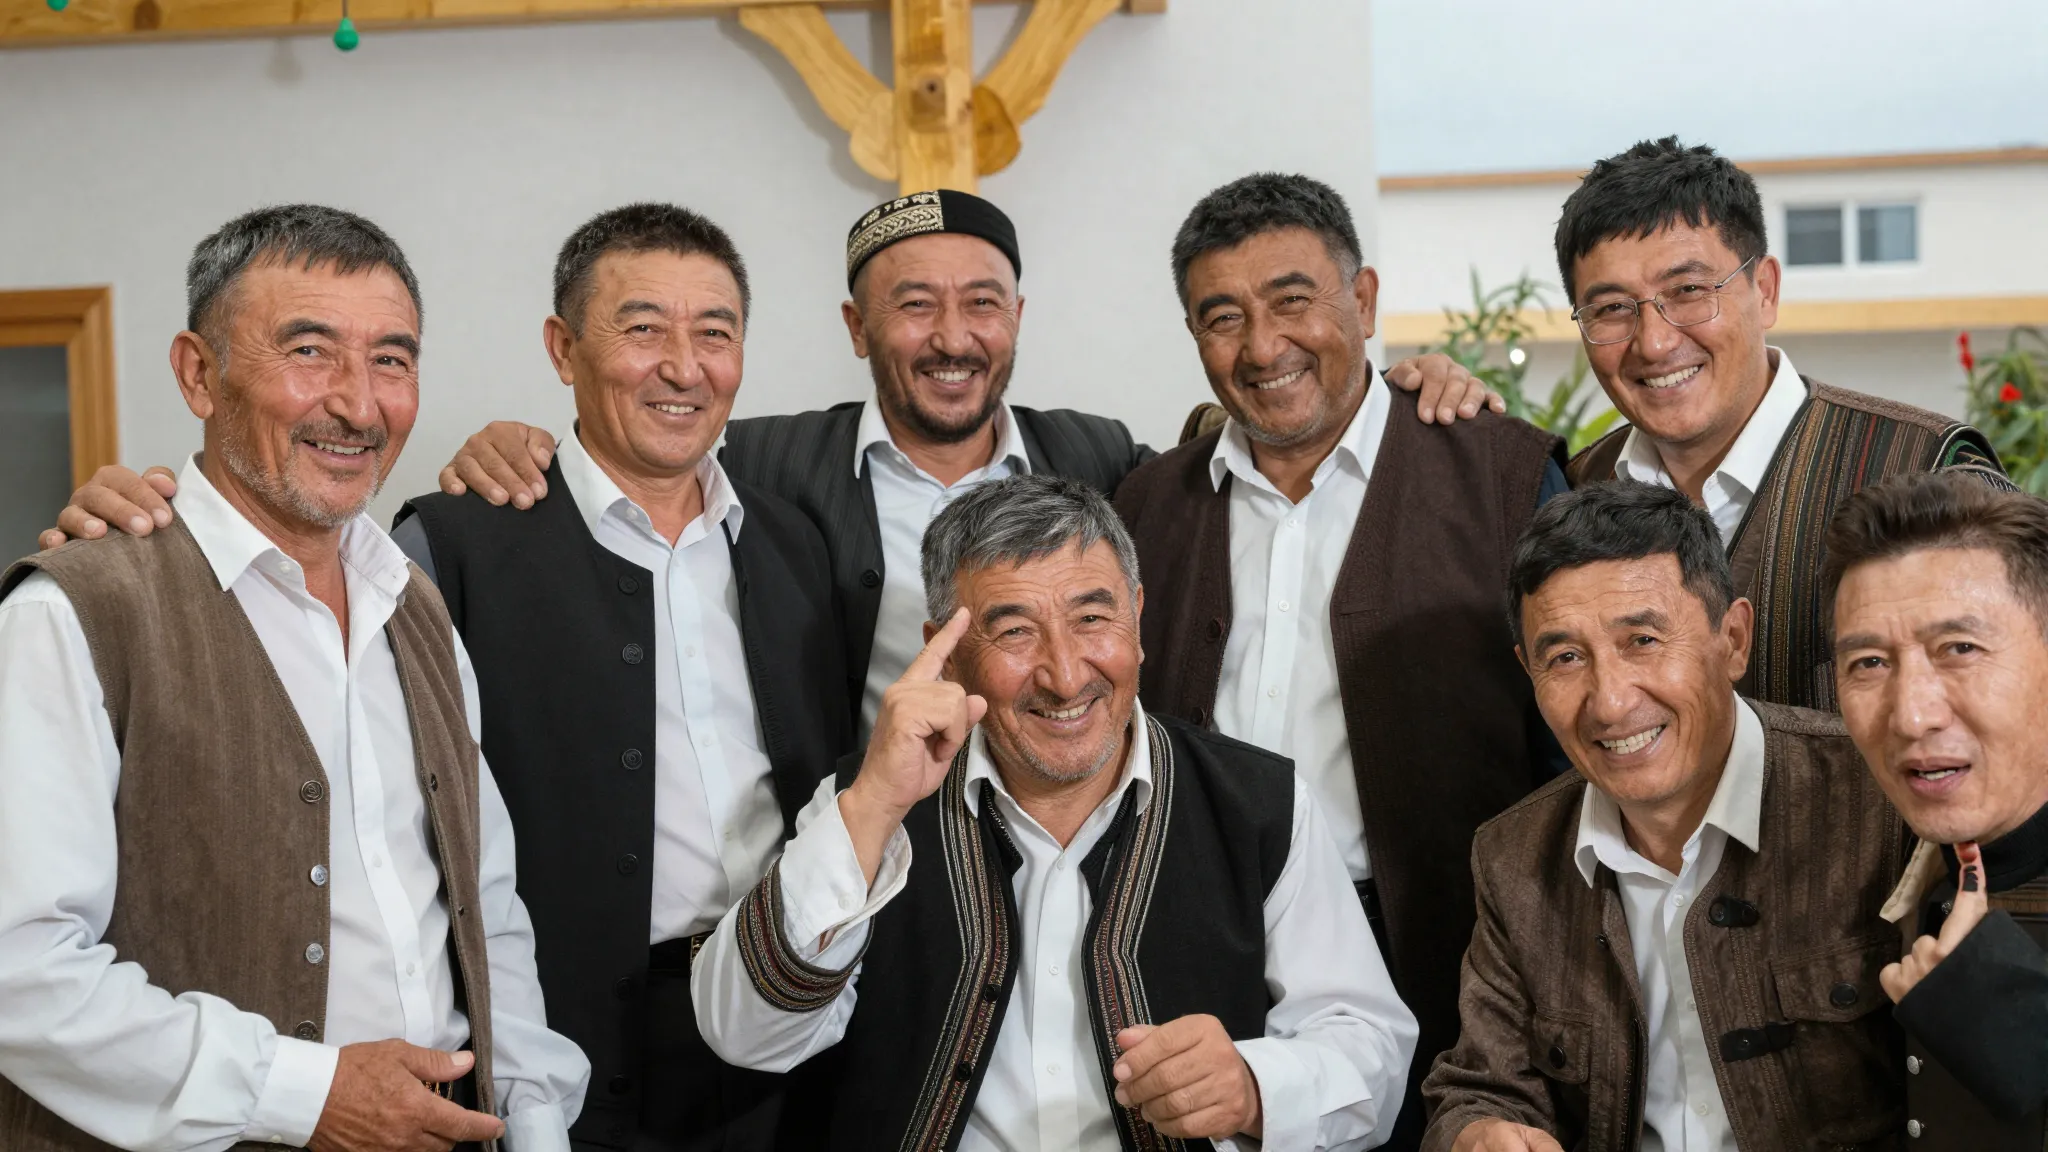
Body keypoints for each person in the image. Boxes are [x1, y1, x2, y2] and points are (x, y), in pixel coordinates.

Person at [52, 191, 1496, 736]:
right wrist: (509, 448)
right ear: (855, 326)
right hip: (861, 874)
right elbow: (631, 454)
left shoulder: (1106, 462)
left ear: (1017, 323)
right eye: (913, 304)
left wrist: (1413, 384)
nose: (950, 334)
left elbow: (1247, 451)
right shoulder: (761, 463)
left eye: (980, 302)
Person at [0, 205, 589, 1151]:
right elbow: (18, 969)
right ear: (200, 373)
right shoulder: (73, 612)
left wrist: (534, 1122)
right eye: (310, 351)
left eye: (391, 360)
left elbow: (486, 905)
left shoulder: (416, 604)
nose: (359, 404)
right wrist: (308, 1093)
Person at [692, 473, 1419, 1151]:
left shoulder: (1259, 804)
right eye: (1013, 631)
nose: (1066, 674)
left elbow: (1372, 1048)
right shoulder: (867, 804)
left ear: (1138, 616)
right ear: (943, 653)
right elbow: (745, 1034)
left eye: (1092, 617)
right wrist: (876, 804)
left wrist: (1256, 1088)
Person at [1114, 172, 1569, 1152]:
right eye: (1220, 317)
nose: (1261, 346)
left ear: (1360, 303)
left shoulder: (1499, 472)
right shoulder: (1144, 507)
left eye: (1291, 301)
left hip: (1441, 956)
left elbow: (1566, 759)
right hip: (1205, 960)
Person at [393, 204, 851, 1151]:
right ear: (563, 349)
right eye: (643, 329)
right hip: (565, 1046)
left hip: (789, 1014)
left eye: (714, 334)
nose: (685, 367)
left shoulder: (793, 537)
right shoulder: (457, 543)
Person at [1423, 480, 1907, 1152]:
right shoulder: (1512, 857)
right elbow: (1481, 1084)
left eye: (1643, 640)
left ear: (1733, 638)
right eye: (1564, 658)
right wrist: (1478, 1133)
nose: (1611, 702)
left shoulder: (1878, 799)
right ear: (1527, 671)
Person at [1555, 136, 2007, 713]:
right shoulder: (1576, 490)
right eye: (1612, 308)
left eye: (1689, 291)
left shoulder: (1927, 469)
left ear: (1764, 290)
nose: (1655, 341)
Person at [1827, 473, 2048, 1148]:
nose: (1912, 714)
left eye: (1960, 650)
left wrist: (1999, 1014)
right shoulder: (1893, 864)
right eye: (1868, 663)